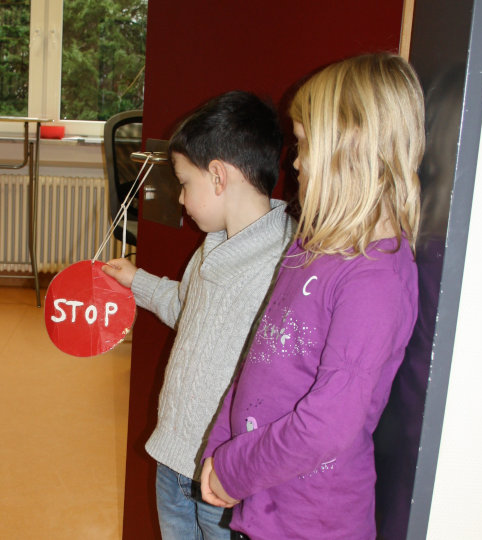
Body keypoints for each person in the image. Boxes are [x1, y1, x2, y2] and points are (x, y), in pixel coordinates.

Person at [200, 53, 425, 540]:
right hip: (261, 503)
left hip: (311, 524)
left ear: (353, 145)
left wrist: (235, 468)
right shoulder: (310, 245)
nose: (295, 161)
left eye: (303, 143)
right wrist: (220, 446)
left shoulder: (375, 278)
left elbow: (328, 426)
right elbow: (258, 358)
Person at [102, 91, 295, 540]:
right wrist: (137, 281)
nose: (182, 201)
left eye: (184, 184)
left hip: (224, 477)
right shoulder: (213, 246)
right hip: (172, 459)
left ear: (218, 176)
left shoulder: (283, 263)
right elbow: (188, 310)